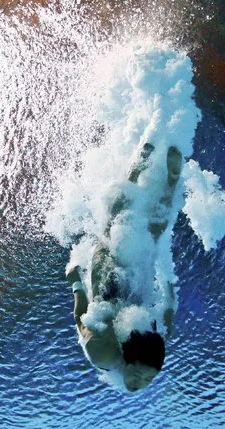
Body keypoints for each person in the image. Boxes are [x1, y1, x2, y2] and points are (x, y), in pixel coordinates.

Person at [65, 143, 181, 391]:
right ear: (131, 359)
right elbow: (168, 316)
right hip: (131, 288)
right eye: (146, 378)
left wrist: (75, 282)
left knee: (118, 227)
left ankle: (138, 172)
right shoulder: (130, 348)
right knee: (148, 233)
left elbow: (80, 317)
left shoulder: (104, 354)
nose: (141, 385)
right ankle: (169, 181)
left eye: (143, 378)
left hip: (111, 289)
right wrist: (169, 286)